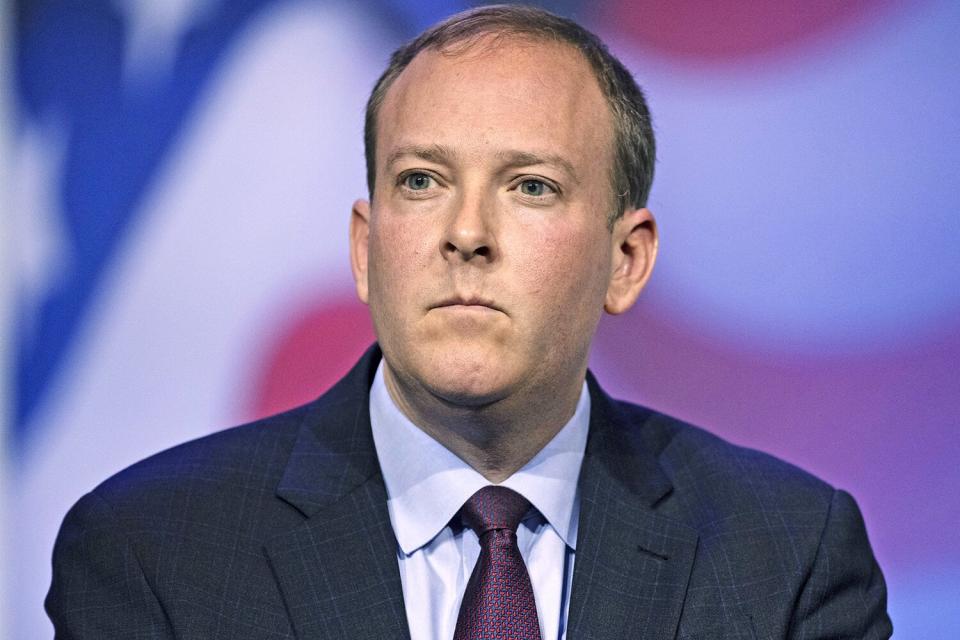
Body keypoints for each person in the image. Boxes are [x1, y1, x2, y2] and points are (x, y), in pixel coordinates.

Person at [46, 5, 892, 639]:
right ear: (367, 249)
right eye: (421, 181)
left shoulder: (785, 557)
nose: (466, 233)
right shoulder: (151, 552)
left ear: (626, 260)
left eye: (531, 186)